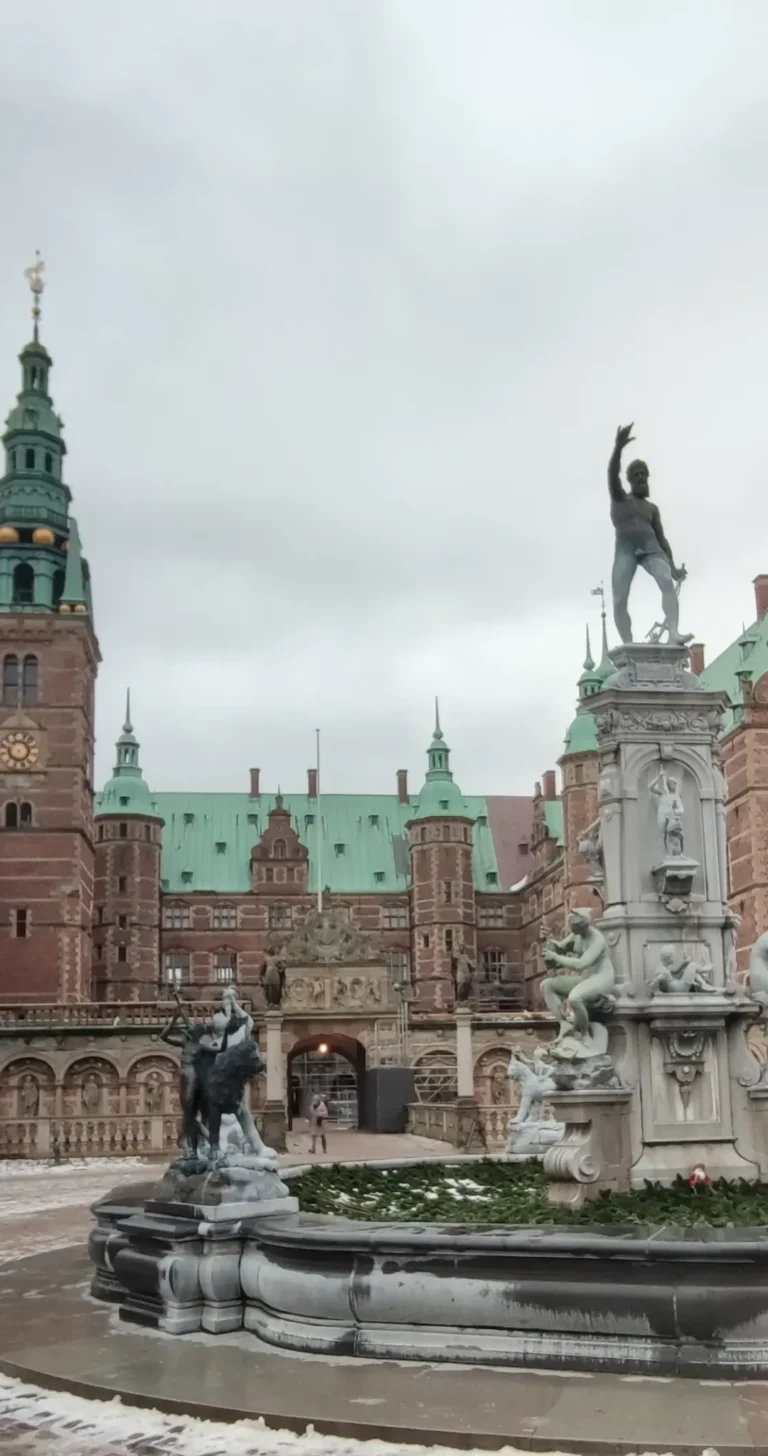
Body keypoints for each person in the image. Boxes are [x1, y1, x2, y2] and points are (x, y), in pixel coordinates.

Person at [608, 423, 689, 646]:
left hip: (651, 549)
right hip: (626, 551)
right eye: (637, 475)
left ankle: (673, 631)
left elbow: (662, 539)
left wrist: (673, 568)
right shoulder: (619, 498)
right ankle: (628, 642)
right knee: (619, 599)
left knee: (665, 580)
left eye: (645, 474)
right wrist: (618, 448)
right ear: (630, 480)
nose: (642, 477)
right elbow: (612, 472)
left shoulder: (651, 509)